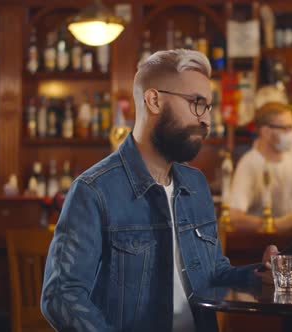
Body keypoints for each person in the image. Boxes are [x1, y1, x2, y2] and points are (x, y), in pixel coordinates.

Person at [41, 49, 279, 332]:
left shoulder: (196, 185)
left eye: (208, 107)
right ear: (154, 100)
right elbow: (61, 296)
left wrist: (258, 275)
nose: (206, 121)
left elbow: (211, 274)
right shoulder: (94, 190)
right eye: (196, 103)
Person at [228, 102, 292, 232]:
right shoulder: (248, 164)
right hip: (266, 242)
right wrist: (278, 224)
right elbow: (235, 217)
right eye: (286, 129)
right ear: (266, 132)